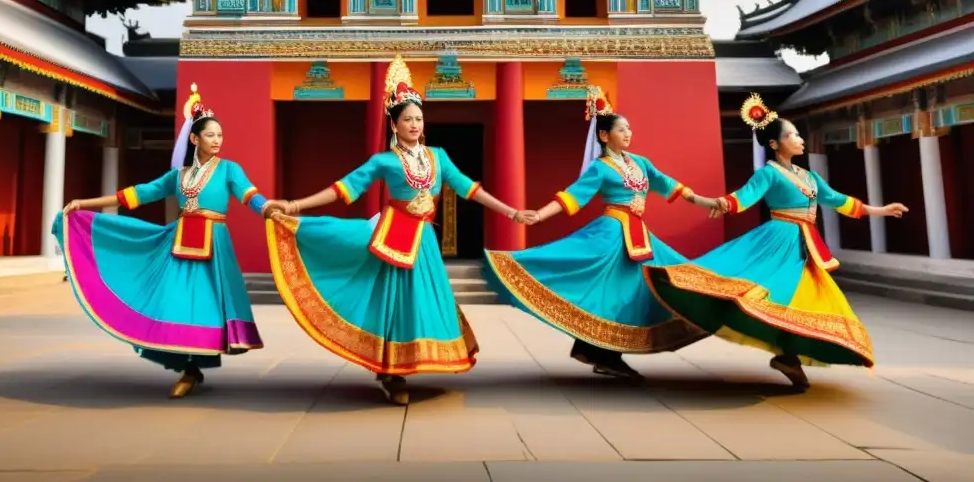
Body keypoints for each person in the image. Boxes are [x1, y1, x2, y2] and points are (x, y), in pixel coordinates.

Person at [267, 55, 530, 406]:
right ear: (394, 125)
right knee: (393, 305)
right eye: (407, 119)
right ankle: (391, 373)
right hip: (392, 238)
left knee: (421, 302)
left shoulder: (439, 156)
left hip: (423, 244)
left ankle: (411, 363)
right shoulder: (384, 161)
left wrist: (511, 212)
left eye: (419, 119)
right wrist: (296, 205)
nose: (414, 124)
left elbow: (470, 189)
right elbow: (343, 189)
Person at [643, 93, 908, 390]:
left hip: (805, 246)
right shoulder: (769, 173)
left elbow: (838, 200)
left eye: (798, 134)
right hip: (778, 240)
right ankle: (787, 356)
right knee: (776, 295)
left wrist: (879, 210)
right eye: (793, 134)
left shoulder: (809, 177)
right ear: (774, 144)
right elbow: (743, 198)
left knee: (808, 300)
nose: (800, 139)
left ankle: (788, 356)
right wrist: (720, 203)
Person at [55, 84, 285, 398]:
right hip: (178, 243)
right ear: (195, 139)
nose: (217, 140)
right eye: (210, 135)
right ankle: (188, 368)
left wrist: (271, 210)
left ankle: (195, 365)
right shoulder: (177, 176)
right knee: (175, 304)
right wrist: (86, 203)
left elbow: (250, 196)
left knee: (206, 305)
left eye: (220, 135)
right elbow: (136, 194)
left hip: (214, 244)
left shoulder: (229, 169)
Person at [484, 86, 724, 383]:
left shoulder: (642, 164)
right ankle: (603, 353)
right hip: (610, 235)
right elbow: (573, 196)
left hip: (639, 237)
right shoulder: (600, 168)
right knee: (609, 293)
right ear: (604, 136)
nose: (628, 134)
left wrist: (708, 202)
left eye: (629, 129)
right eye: (622, 129)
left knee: (660, 281)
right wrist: (539, 214)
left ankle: (596, 351)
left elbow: (672, 187)